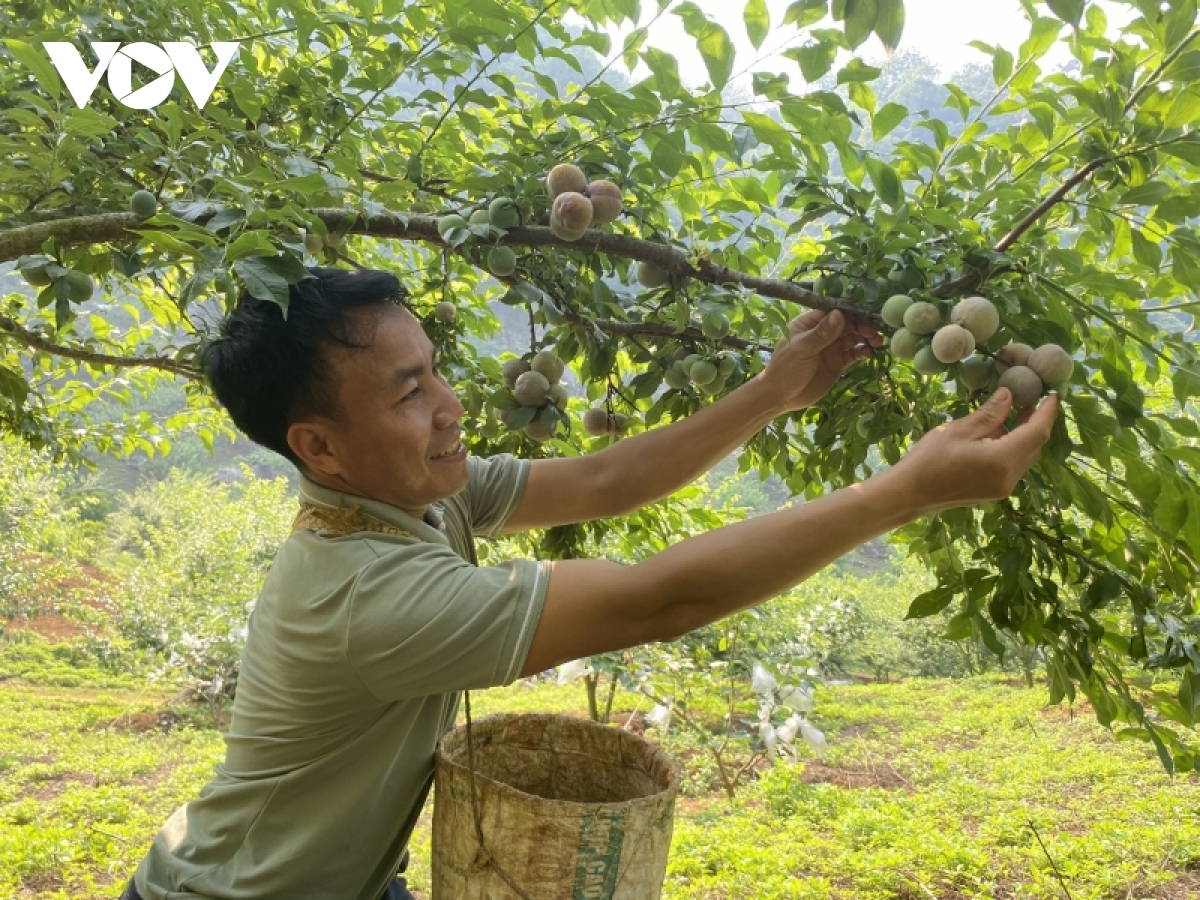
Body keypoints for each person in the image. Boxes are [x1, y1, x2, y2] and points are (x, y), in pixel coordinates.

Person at [119, 266, 1058, 900]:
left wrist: (779, 387)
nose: (449, 408)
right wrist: (903, 493)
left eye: (434, 373)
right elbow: (657, 600)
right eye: (409, 395)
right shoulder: (365, 594)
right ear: (318, 446)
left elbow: (604, 481)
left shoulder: (410, 496)